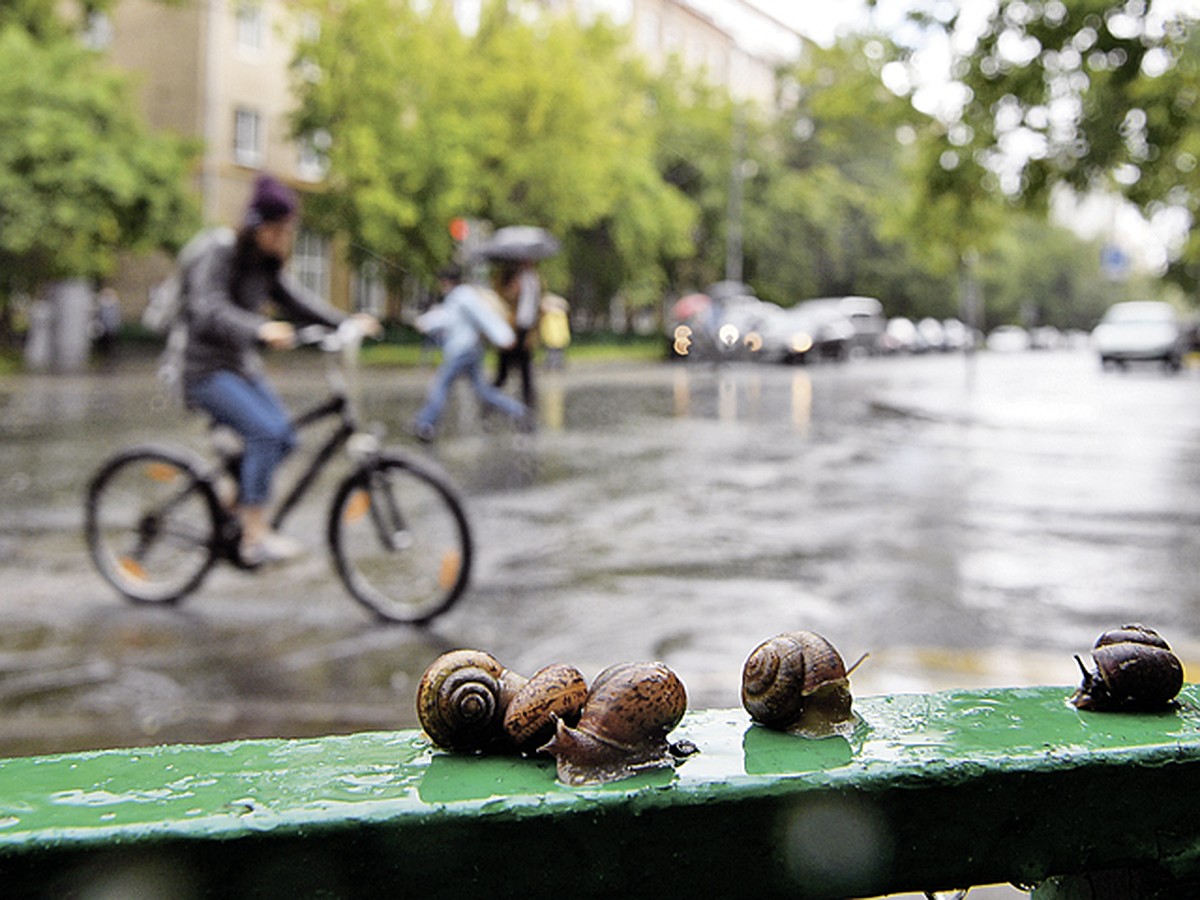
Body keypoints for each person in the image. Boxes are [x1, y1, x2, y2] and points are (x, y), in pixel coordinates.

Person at [182, 173, 377, 566]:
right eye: (277, 230)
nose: (283, 239)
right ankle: (254, 537)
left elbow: (296, 302)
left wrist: (344, 322)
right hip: (202, 370)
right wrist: (260, 328)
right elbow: (207, 308)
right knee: (266, 434)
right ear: (257, 226)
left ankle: (232, 508)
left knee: (286, 438)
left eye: (288, 231)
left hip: (239, 365)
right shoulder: (222, 253)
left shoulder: (266, 264)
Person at [412, 264, 531, 442]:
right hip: (469, 350)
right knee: (482, 391)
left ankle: (426, 423)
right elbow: (448, 317)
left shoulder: (463, 296)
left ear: (446, 281)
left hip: (461, 351)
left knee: (440, 386)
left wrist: (504, 336)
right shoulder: (459, 297)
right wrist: (427, 321)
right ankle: (518, 412)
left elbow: (483, 317)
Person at [492, 259, 541, 408]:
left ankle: (528, 400)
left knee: (525, 367)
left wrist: (534, 330)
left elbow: (536, 304)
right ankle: (491, 398)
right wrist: (513, 289)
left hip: (526, 327)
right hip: (512, 326)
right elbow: (503, 299)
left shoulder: (535, 279)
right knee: (504, 370)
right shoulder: (509, 277)